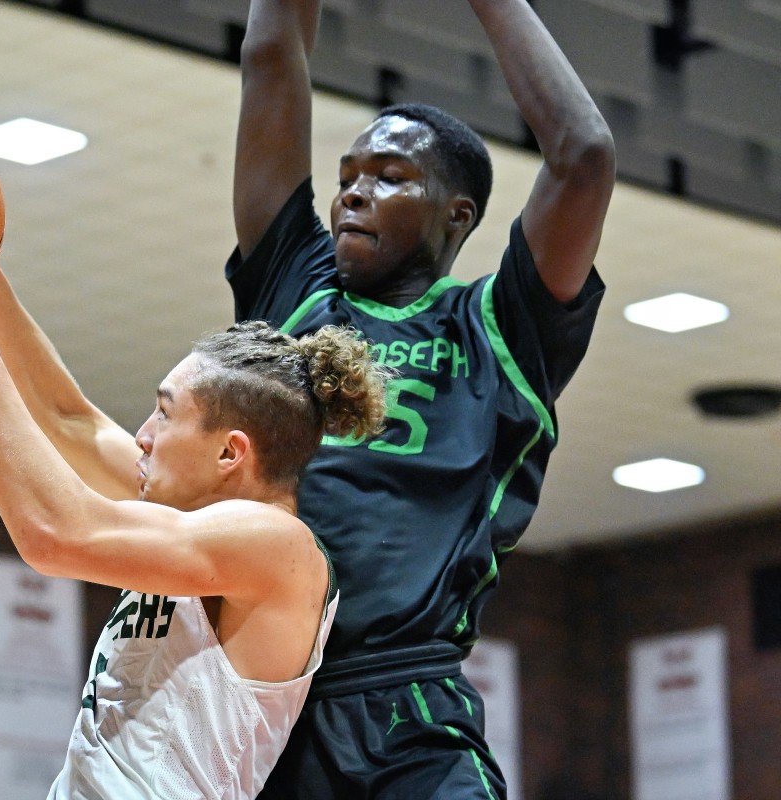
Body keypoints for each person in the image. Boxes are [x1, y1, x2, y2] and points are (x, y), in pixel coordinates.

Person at [0, 164, 393, 798]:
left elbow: (53, 534)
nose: (143, 433)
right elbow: (67, 421)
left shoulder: (280, 548)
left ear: (229, 454)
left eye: (165, 411)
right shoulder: (185, 519)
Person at [226, 0, 616, 796]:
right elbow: (272, 57)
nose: (353, 195)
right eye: (346, 179)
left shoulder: (499, 330)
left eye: (390, 178)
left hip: (407, 711)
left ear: (456, 214)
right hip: (259, 708)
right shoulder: (295, 289)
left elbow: (584, 155)